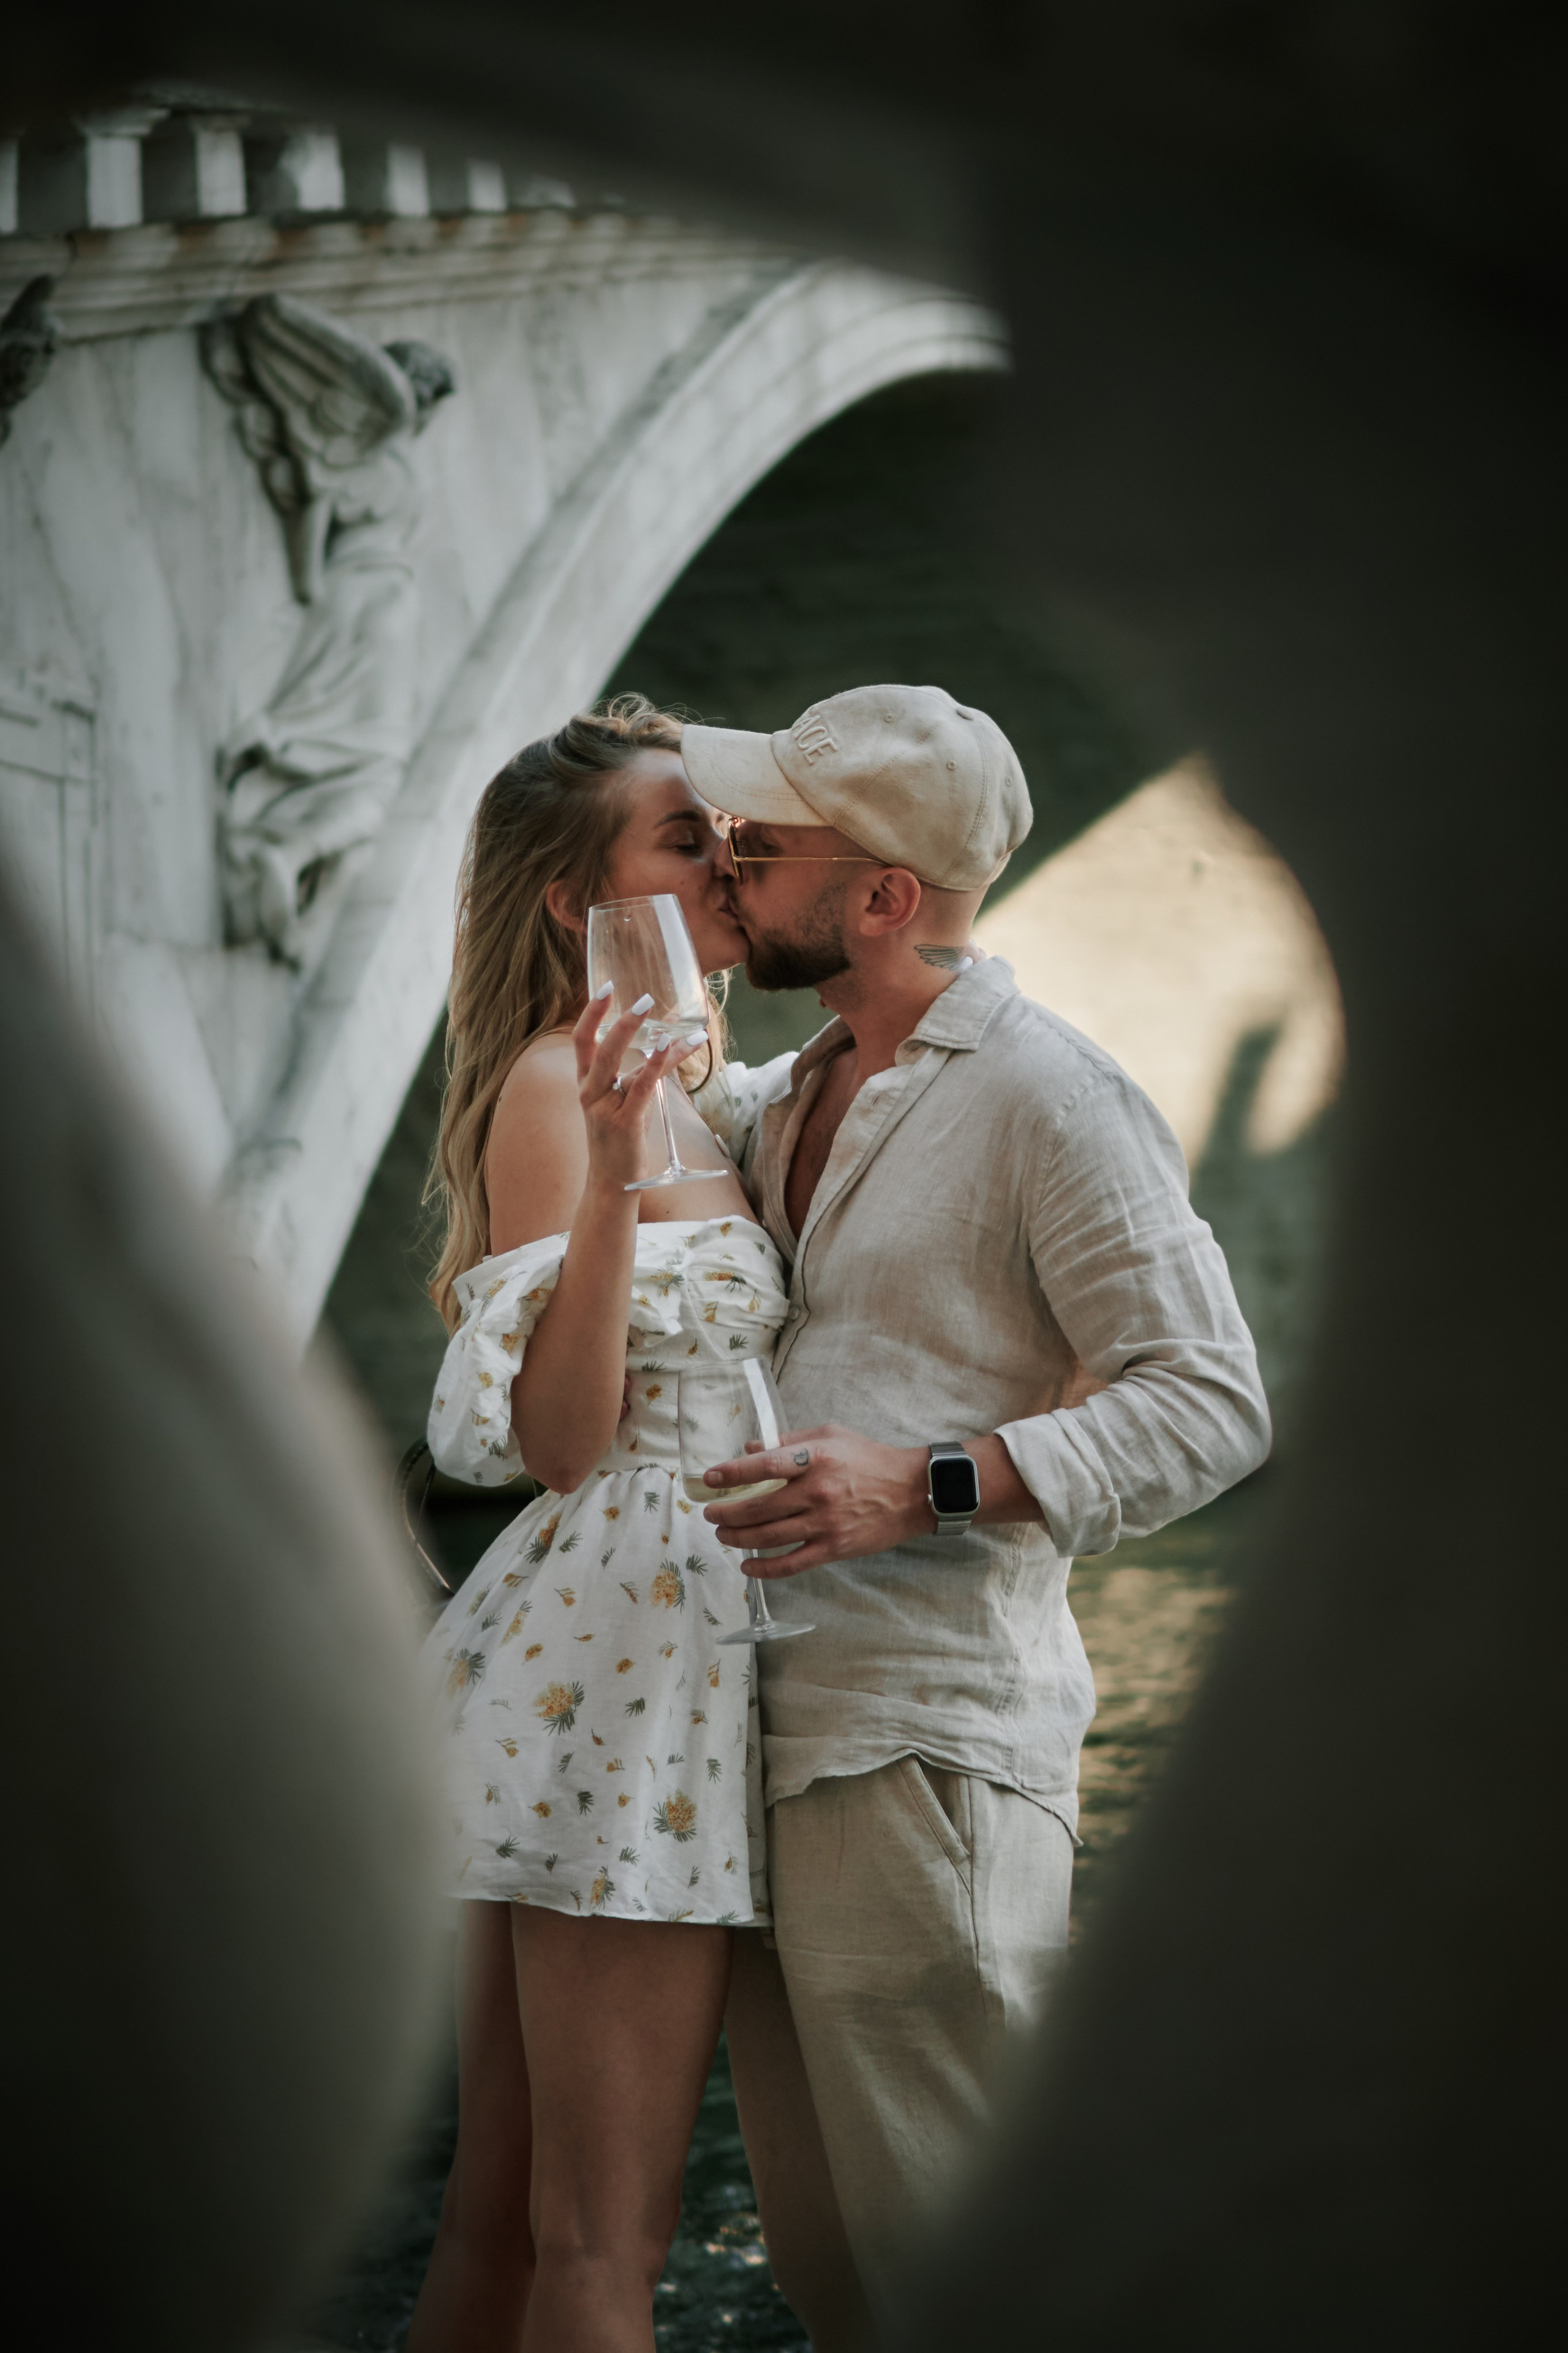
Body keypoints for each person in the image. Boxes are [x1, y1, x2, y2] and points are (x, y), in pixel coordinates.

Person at [680, 684, 1273, 2339]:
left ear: (881, 898)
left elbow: (1212, 1398)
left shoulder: (1050, 1096)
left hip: (930, 1758)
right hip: (767, 1746)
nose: (730, 858)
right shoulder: (791, 1087)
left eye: (767, 839)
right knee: (845, 2292)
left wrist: (930, 1479)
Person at [407, 697, 802, 2353]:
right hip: (624, 1662)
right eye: (683, 836)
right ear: (582, 901)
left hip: (637, 1645)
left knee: (501, 2231)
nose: (724, 856)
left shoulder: (714, 1087)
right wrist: (622, 1181)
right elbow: (556, 1444)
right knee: (602, 2245)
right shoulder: (562, 1095)